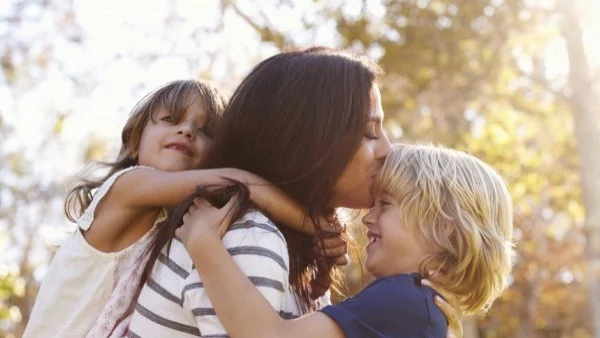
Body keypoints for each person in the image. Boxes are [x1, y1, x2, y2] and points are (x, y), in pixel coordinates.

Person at [126, 47, 462, 338]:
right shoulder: (250, 239)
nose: (387, 149)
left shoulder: (284, 245)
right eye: (369, 132)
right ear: (310, 142)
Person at [23, 79, 341, 338]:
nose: (187, 131)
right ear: (134, 143)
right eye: (171, 120)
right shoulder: (126, 187)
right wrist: (315, 225)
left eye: (205, 131)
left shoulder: (172, 226)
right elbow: (238, 181)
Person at [178, 144, 514, 338]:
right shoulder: (419, 308)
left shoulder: (403, 300)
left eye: (386, 205)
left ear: (444, 230)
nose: (368, 217)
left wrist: (204, 244)